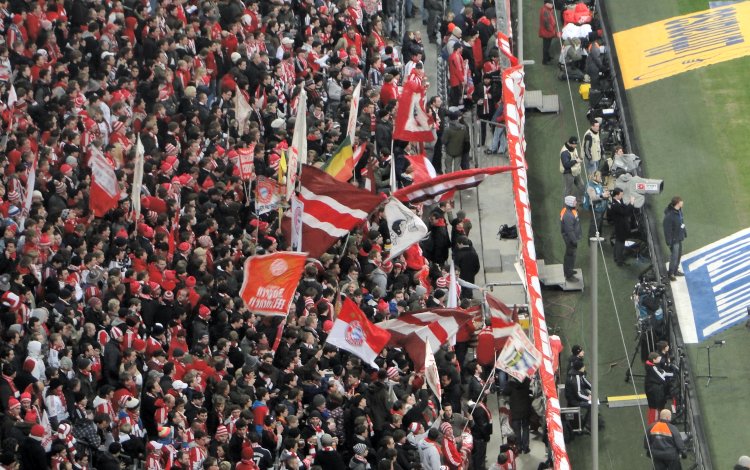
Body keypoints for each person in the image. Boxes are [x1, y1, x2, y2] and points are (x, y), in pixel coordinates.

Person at [609, 188, 635, 266]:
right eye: (621, 194)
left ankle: (616, 257)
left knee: (618, 242)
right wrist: (631, 203)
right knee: (620, 243)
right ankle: (620, 261)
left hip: (621, 226)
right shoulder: (615, 205)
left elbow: (624, 208)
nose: (622, 195)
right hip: (620, 227)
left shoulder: (619, 201)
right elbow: (625, 212)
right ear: (617, 195)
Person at [663, 196, 687, 281]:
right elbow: (667, 230)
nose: (682, 202)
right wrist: (669, 241)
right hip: (674, 240)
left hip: (679, 237)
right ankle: (671, 273)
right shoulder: (670, 216)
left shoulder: (679, 211)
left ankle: (675, 270)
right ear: (677, 203)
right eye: (681, 201)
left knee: (679, 255)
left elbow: (681, 222)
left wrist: (684, 232)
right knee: (674, 256)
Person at [565, 359, 591, 430]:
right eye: (583, 366)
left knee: (588, 392)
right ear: (579, 368)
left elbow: (584, 382)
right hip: (574, 400)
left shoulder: (576, 373)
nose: (584, 367)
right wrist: (588, 398)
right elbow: (578, 394)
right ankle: (587, 425)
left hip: (573, 396)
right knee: (592, 405)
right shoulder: (575, 379)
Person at [560, 195, 582, 282]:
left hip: (570, 238)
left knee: (569, 255)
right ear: (570, 204)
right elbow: (569, 230)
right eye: (574, 202)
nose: (576, 202)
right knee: (570, 256)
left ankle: (568, 270)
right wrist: (574, 240)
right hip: (570, 239)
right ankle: (569, 275)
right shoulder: (568, 215)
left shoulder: (569, 210)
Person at [644, 352, 669, 426]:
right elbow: (661, 378)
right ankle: (653, 425)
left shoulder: (651, 366)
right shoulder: (652, 368)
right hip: (653, 391)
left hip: (651, 389)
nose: (660, 359)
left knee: (653, 408)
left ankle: (653, 423)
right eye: (658, 358)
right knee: (654, 409)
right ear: (654, 360)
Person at [585, 171, 609, 242]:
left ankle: (599, 237)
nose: (601, 178)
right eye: (599, 177)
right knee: (594, 225)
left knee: (600, 223)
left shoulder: (598, 183)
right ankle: (591, 241)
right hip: (595, 209)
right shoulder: (590, 186)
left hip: (601, 208)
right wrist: (602, 195)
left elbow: (600, 190)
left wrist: (605, 192)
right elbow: (593, 197)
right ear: (595, 177)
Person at [538, 0, 557, 65]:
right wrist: (552, 30)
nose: (552, 5)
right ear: (546, 4)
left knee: (547, 46)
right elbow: (546, 23)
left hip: (548, 32)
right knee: (546, 47)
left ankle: (547, 57)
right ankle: (544, 61)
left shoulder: (548, 9)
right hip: (547, 33)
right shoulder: (545, 11)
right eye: (550, 3)